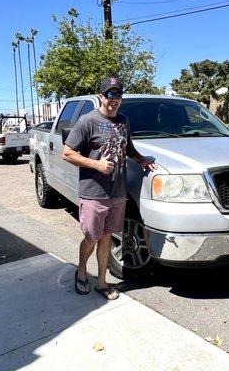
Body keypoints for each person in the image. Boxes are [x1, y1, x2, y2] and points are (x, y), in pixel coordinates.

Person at [62, 77, 157, 300]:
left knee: (106, 237)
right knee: (91, 237)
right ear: (101, 97)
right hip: (94, 192)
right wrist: (96, 164)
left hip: (117, 191)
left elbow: (128, 148)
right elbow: (67, 153)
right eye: (110, 95)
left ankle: (102, 282)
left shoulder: (123, 121)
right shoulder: (88, 121)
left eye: (118, 95)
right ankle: (82, 271)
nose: (114, 99)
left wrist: (142, 159)